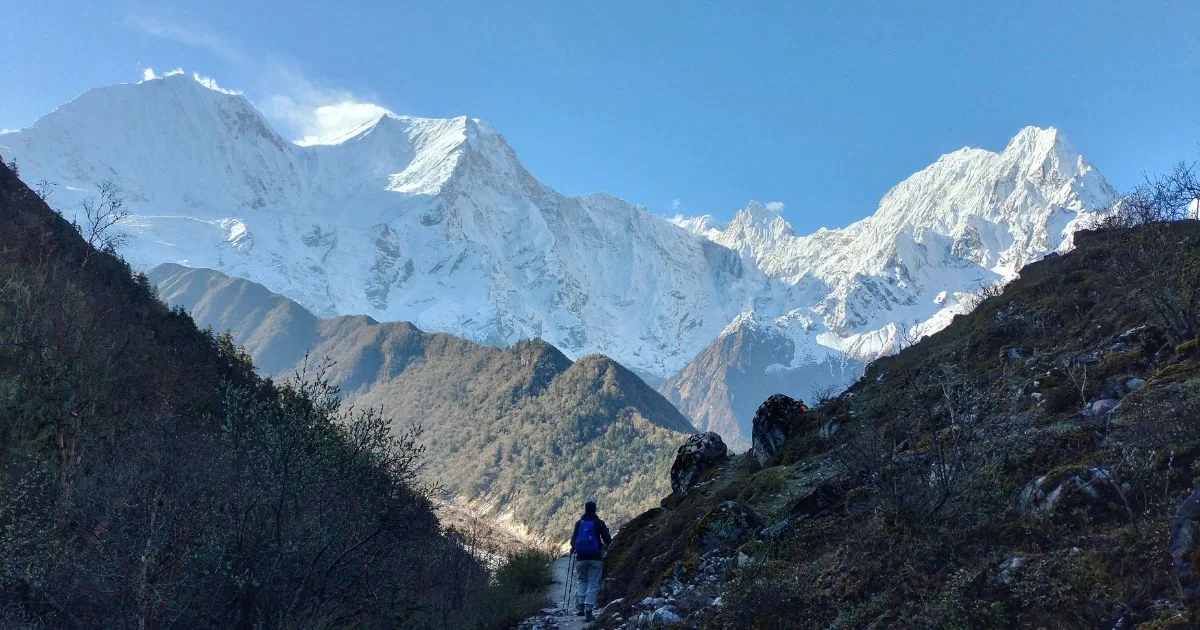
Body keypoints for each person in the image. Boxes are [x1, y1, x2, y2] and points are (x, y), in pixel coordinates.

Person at [570, 500, 612, 621]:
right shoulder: (599, 523)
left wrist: (574, 549)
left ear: (585, 509)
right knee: (593, 583)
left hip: (580, 558)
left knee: (581, 580)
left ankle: (580, 607)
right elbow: (608, 540)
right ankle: (589, 611)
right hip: (595, 558)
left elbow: (573, 542)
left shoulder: (579, 523)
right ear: (595, 509)